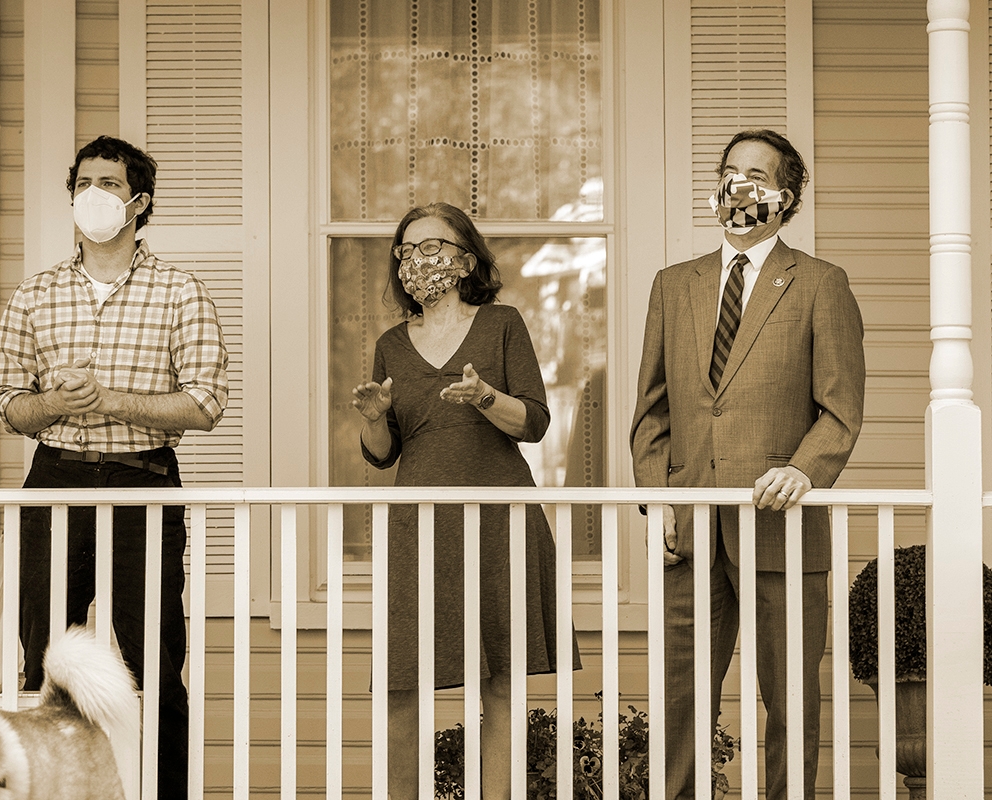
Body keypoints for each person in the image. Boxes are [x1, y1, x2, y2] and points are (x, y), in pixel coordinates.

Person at [630, 129, 865, 800]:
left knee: (790, 701)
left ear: (785, 198)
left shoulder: (822, 284)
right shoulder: (674, 285)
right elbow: (652, 411)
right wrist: (660, 499)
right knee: (681, 699)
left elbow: (841, 407)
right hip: (690, 529)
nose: (739, 187)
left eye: (755, 176)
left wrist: (806, 469)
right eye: (730, 173)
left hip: (782, 527)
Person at [0, 135, 230, 800]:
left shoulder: (181, 292)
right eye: (83, 182)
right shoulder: (35, 294)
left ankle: (165, 794)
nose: (92, 194)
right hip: (55, 478)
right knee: (45, 659)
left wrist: (110, 401)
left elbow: (207, 403)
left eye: (108, 183)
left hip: (143, 480)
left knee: (154, 661)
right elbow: (9, 405)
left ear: (138, 202)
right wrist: (52, 404)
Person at [351, 202, 579, 800]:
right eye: (408, 249)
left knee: (502, 681)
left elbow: (534, 422)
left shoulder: (502, 323)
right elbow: (383, 453)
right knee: (405, 682)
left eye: (434, 246)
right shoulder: (391, 344)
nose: (419, 259)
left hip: (499, 518)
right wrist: (375, 419)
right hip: (418, 525)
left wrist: (484, 397)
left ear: (466, 258)